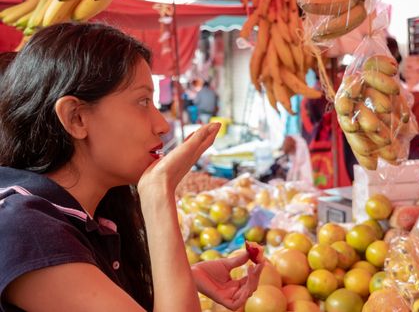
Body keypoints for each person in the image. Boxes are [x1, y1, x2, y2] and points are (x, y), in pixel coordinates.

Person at [0, 23, 262, 312]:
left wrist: (187, 278)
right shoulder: (25, 230)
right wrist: (158, 194)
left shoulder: (90, 216)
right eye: (142, 101)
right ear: (76, 118)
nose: (162, 125)